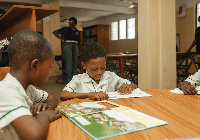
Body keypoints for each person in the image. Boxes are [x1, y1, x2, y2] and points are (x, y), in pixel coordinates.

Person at [0, 30, 62, 140]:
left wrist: (45, 107)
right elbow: (35, 136)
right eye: (50, 66)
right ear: (35, 65)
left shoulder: (27, 88)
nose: (49, 72)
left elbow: (52, 97)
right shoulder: (6, 91)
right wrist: (44, 116)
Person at [60, 42, 137, 101]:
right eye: (94, 69)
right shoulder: (78, 79)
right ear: (83, 66)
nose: (100, 72)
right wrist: (88, 95)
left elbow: (134, 85)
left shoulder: (111, 76)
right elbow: (63, 95)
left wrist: (129, 86)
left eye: (103, 67)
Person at [53, 17, 81, 83]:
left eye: (71, 22)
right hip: (67, 45)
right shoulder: (65, 29)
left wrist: (80, 50)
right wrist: (61, 38)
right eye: (69, 22)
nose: (70, 23)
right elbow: (54, 32)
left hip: (75, 45)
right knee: (69, 64)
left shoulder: (77, 31)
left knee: (74, 64)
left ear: (75, 23)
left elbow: (79, 41)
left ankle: (74, 80)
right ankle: (69, 81)